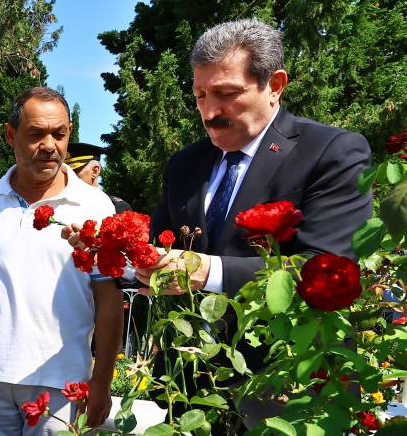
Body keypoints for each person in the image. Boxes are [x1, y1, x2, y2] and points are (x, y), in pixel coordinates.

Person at [0, 87, 124, 436]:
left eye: (59, 134)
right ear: (11, 135)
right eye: (36, 134)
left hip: (59, 382)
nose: (49, 146)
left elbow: (109, 301)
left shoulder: (95, 206)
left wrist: (102, 381)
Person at [138, 18, 371, 299]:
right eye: (200, 96)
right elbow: (159, 247)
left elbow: (327, 266)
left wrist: (209, 272)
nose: (209, 112)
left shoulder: (332, 151)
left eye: (227, 93)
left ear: (275, 85)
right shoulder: (184, 164)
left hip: (283, 342)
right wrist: (108, 247)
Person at [66, 142, 132, 213]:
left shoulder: (117, 207)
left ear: (95, 171)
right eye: (65, 171)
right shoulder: (60, 205)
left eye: (74, 171)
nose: (68, 175)